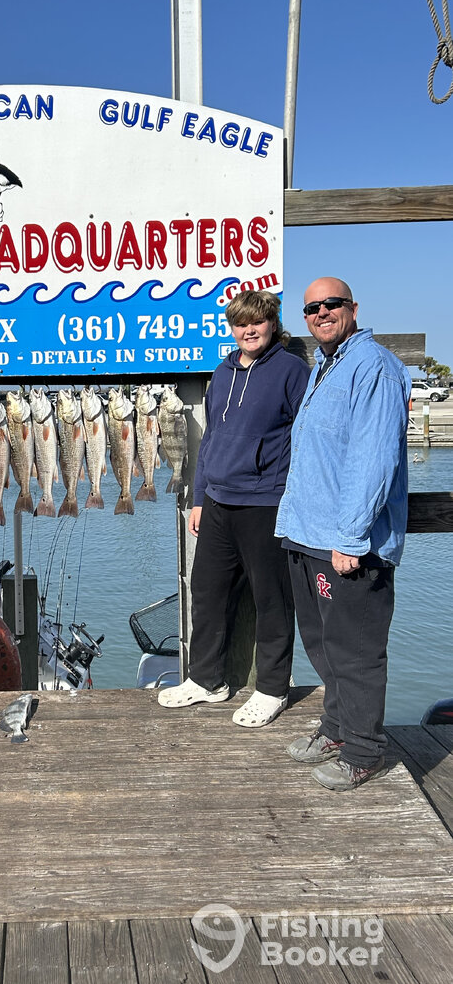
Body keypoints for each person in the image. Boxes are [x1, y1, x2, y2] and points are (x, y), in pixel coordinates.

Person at [276, 277, 411, 790]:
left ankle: (363, 751)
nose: (321, 313)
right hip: (308, 534)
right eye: (312, 308)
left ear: (353, 307)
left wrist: (352, 538)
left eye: (331, 304)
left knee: (355, 651)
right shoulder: (325, 365)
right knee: (323, 644)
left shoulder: (373, 366)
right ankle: (336, 729)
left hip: (349, 546)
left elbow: (372, 459)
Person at [159, 289, 309, 725]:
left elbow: (307, 437)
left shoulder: (292, 371)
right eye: (241, 324)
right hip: (218, 503)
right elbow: (210, 440)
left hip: (267, 502)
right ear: (232, 328)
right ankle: (207, 680)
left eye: (257, 322)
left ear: (272, 324)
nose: (249, 330)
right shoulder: (222, 372)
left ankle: (273, 689)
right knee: (206, 593)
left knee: (272, 600)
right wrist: (200, 497)